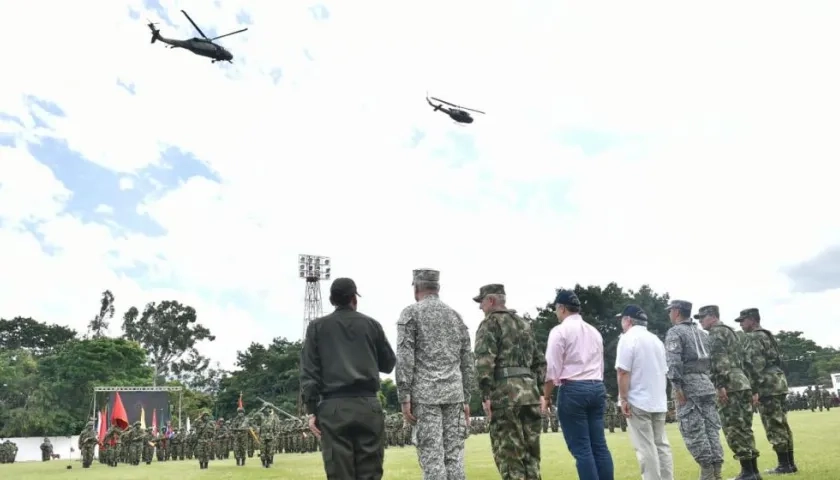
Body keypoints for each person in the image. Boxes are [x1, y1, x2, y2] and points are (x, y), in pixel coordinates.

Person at [300, 277, 397, 480]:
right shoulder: (372, 325)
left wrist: (311, 410)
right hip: (367, 404)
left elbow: (309, 373)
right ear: (354, 298)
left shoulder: (317, 328)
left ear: (331, 300)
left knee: (339, 473)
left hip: (333, 407)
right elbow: (388, 364)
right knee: (370, 472)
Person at [396, 269, 475, 480]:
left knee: (432, 458)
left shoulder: (411, 314)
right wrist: (466, 398)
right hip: (454, 394)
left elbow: (404, 359)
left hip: (425, 396)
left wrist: (404, 397)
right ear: (437, 288)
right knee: (454, 457)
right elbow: (468, 362)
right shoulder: (455, 316)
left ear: (416, 288)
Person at [473, 284, 546, 480]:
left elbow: (484, 361)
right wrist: (541, 392)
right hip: (530, 395)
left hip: (505, 396)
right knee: (532, 457)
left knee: (509, 456)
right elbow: (539, 361)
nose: (480, 307)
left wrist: (486, 395)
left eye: (481, 302)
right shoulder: (524, 325)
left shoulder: (490, 324)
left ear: (491, 300)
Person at [544, 289, 614, 480]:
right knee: (599, 445)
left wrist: (546, 396)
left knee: (582, 449)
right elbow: (600, 364)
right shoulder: (594, 332)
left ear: (562, 308)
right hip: (596, 386)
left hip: (573, 388)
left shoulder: (560, 331)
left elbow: (552, 369)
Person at [697, 305, 761, 479]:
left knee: (733, 428)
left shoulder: (716, 333)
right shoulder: (732, 332)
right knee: (744, 428)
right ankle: (753, 471)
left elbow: (719, 360)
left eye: (702, 317)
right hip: (742, 382)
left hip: (730, 384)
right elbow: (746, 360)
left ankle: (747, 472)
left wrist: (720, 385)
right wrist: (753, 387)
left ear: (712, 317)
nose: (700, 321)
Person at [664, 299, 724, 480]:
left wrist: (677, 387)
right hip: (706, 383)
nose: (669, 314)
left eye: (670, 311)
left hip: (689, 387)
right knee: (711, 429)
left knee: (693, 430)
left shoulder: (675, 332)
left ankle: (707, 473)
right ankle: (716, 472)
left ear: (676, 311)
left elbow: (674, 362)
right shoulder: (702, 334)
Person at [736, 308, 798, 474]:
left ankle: (784, 465)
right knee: (782, 423)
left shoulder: (754, 337)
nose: (741, 324)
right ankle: (789, 463)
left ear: (752, 320)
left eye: (743, 321)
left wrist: (754, 389)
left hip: (767, 385)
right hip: (778, 382)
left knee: (773, 425)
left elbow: (755, 365)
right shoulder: (767, 334)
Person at [615, 304, 673, 480]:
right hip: (658, 399)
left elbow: (623, 371)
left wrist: (623, 398)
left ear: (628, 320)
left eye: (622, 320)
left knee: (645, 448)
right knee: (661, 445)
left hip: (638, 400)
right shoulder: (656, 340)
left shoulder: (627, 338)